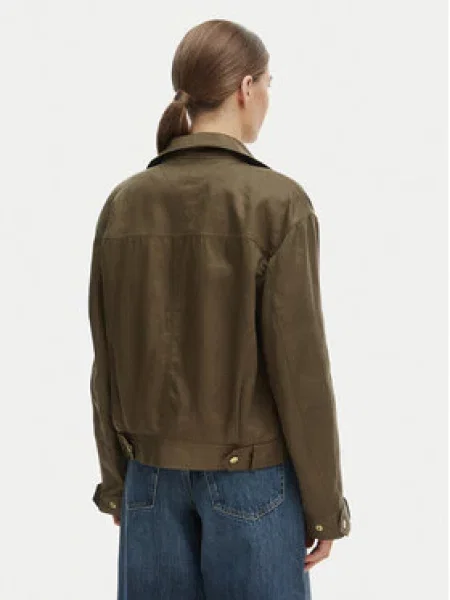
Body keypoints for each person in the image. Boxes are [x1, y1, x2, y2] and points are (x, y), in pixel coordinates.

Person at [87, 18, 351, 600]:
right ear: (245, 88)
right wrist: (325, 505)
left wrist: (117, 483)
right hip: (253, 485)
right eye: (269, 84)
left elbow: (106, 361)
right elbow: (300, 371)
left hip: (150, 480)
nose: (267, 99)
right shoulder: (278, 203)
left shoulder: (123, 204)